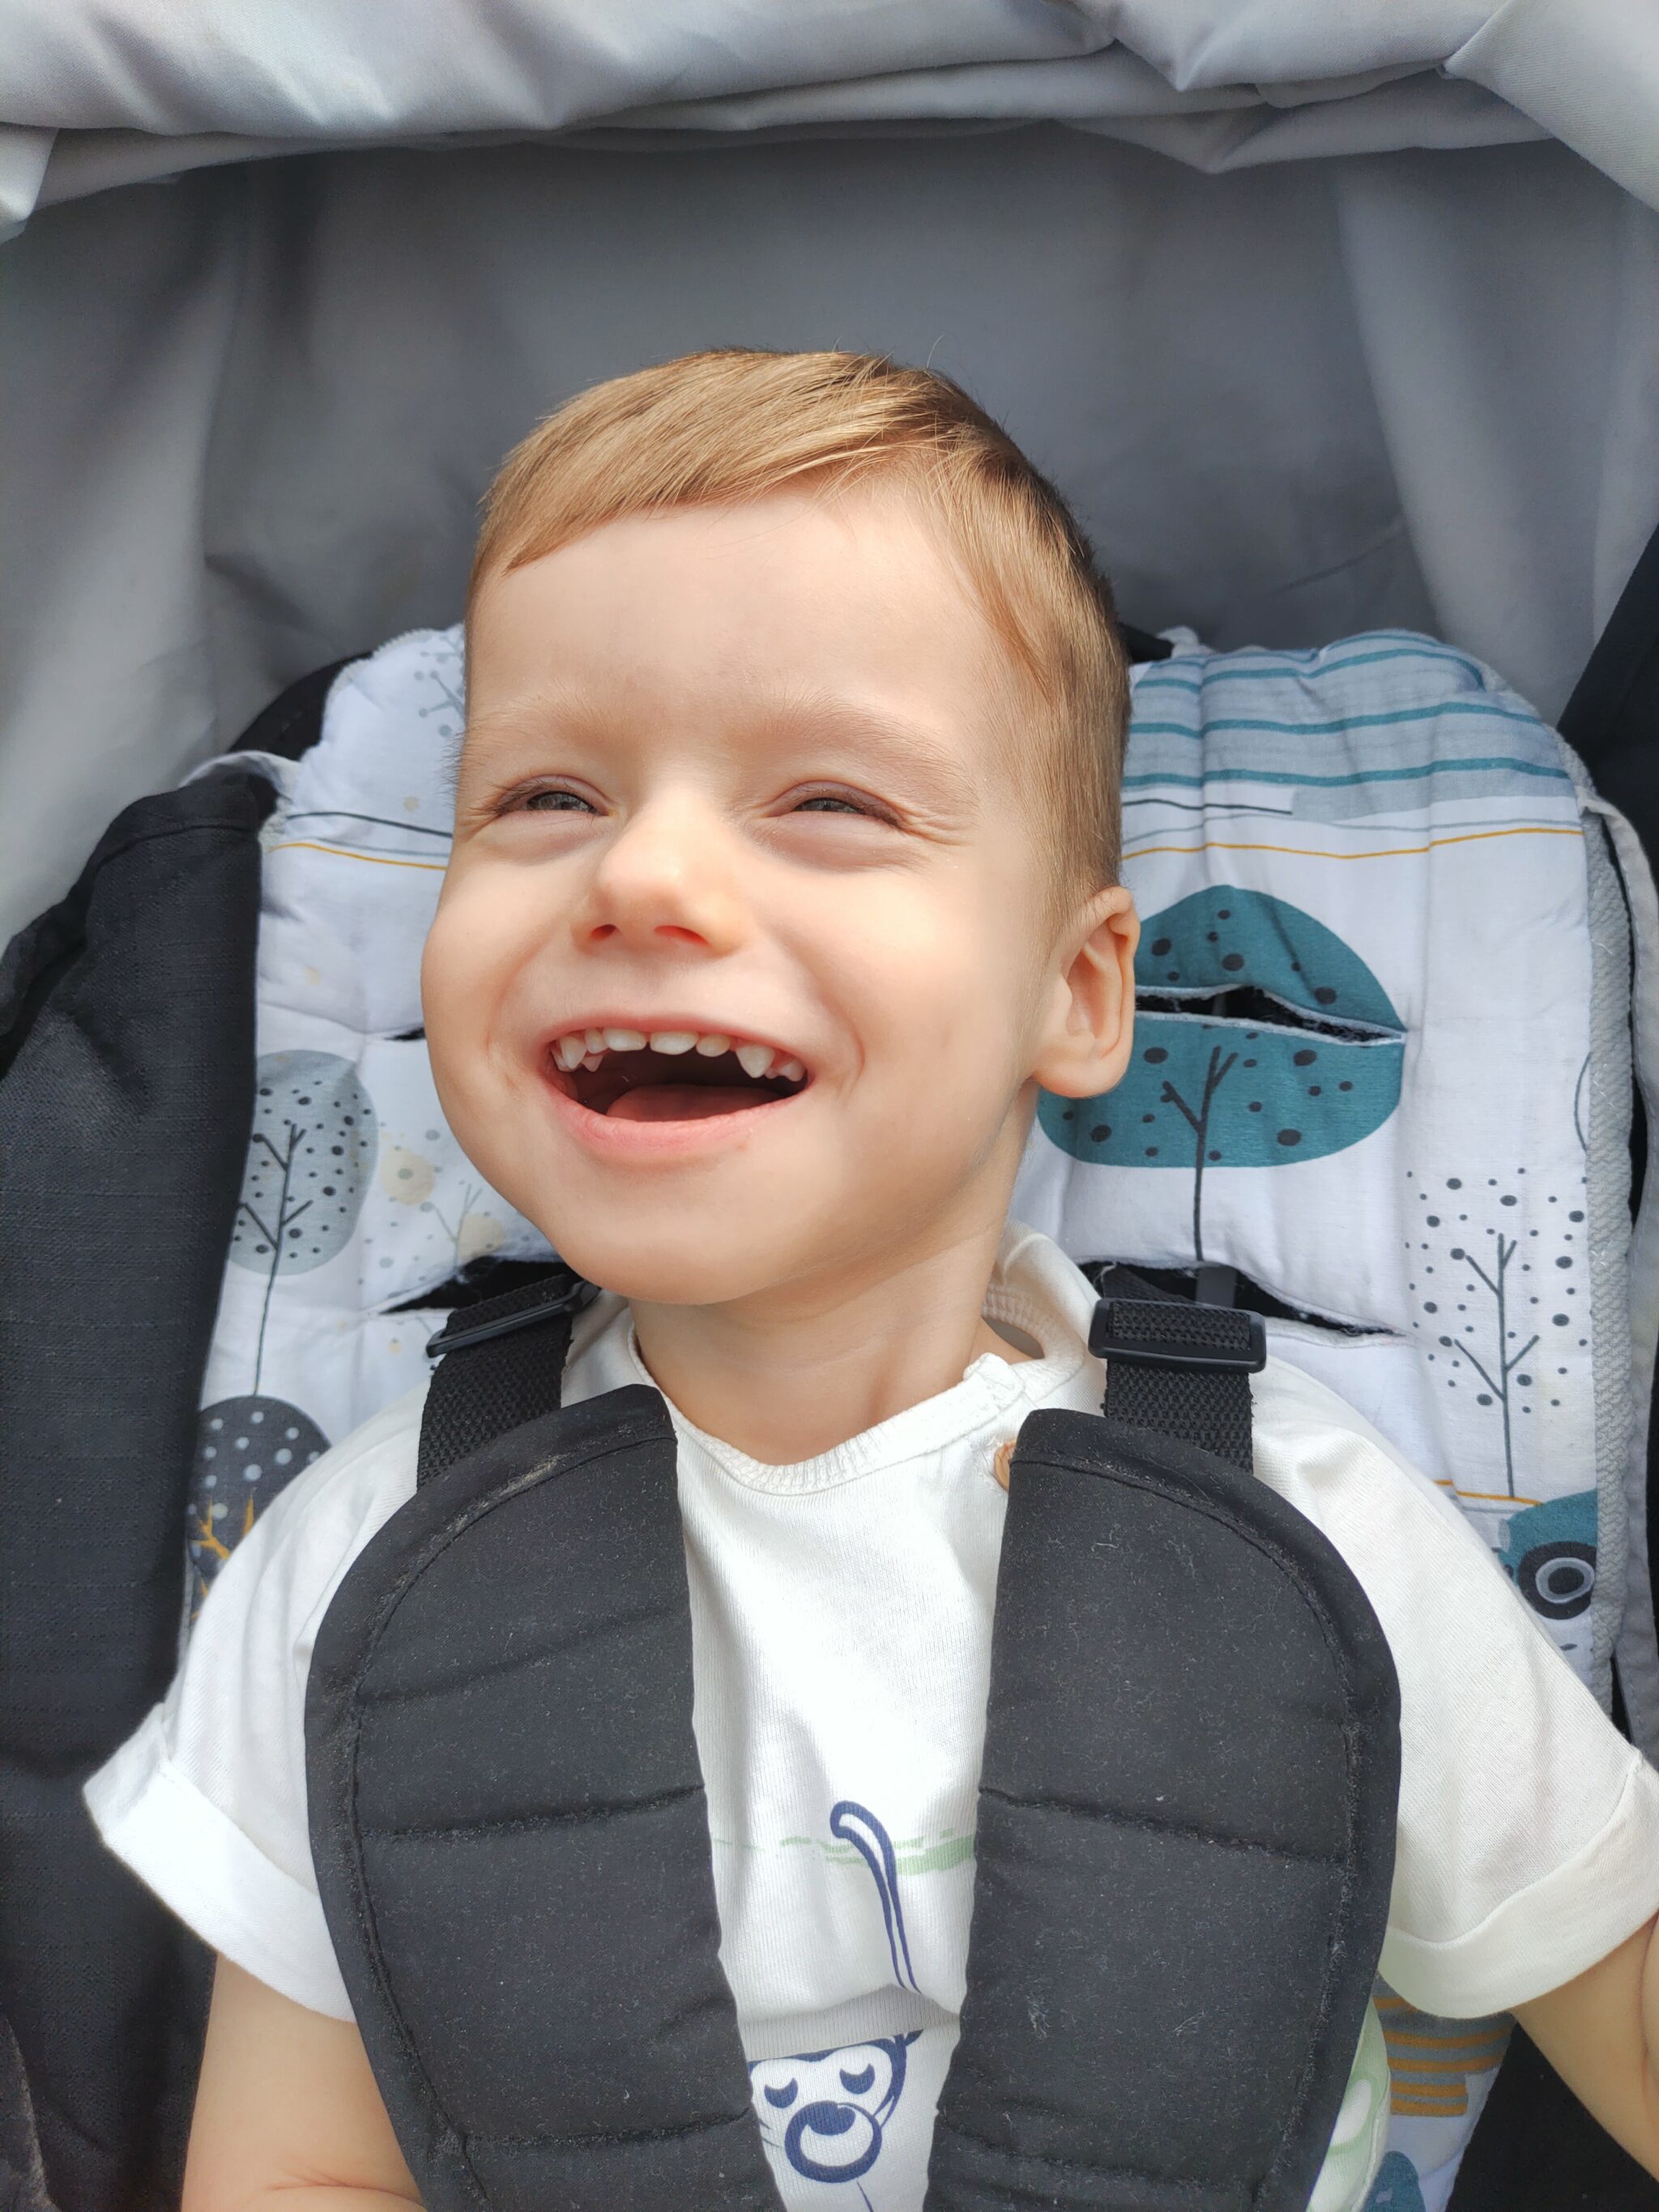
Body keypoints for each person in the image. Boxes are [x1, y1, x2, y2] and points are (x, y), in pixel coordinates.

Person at [86, 350, 1659, 2210]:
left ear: (1077, 992)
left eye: (826, 802)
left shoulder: (1301, 1528)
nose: (642, 874)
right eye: (542, 797)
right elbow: (290, 2168)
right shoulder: (368, 1562)